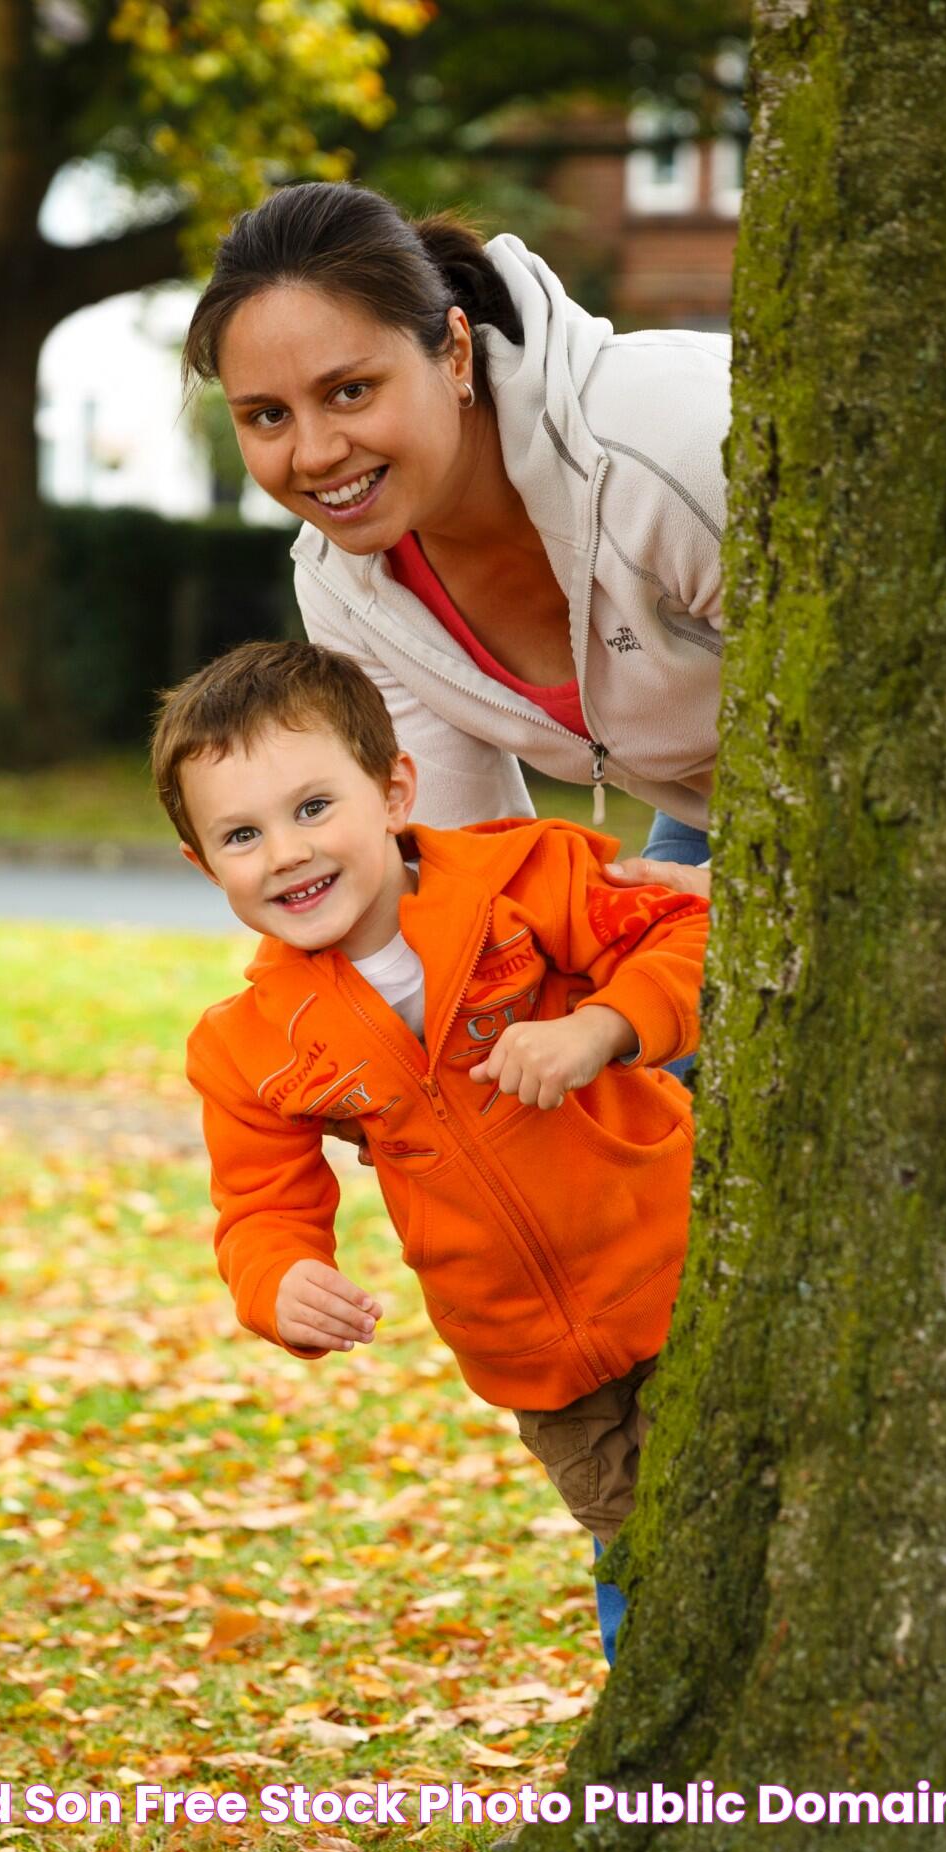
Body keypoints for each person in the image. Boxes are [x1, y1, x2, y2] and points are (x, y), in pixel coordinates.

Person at [154, 640, 708, 1665]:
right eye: (241, 834)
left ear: (394, 790)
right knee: (642, 1555)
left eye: (312, 808)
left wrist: (600, 1028)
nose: (284, 853)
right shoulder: (247, 1044)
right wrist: (279, 1285)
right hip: (533, 1360)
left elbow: (686, 935)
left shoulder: (521, 877)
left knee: (742, 1511)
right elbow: (259, 1210)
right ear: (202, 864)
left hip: (685, 1276)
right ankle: (664, 1762)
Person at [181, 181, 726, 908]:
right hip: (711, 813)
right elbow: (474, 879)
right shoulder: (347, 587)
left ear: (457, 354)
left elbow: (893, 723)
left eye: (351, 391)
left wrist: (734, 896)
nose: (313, 454)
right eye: (268, 415)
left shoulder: (675, 458)